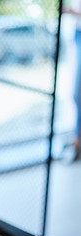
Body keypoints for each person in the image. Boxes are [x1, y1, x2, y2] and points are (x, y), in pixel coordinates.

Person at [62, 0, 81, 162]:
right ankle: (76, 139)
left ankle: (77, 140)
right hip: (76, 33)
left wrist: (70, 12)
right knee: (75, 94)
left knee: (76, 94)